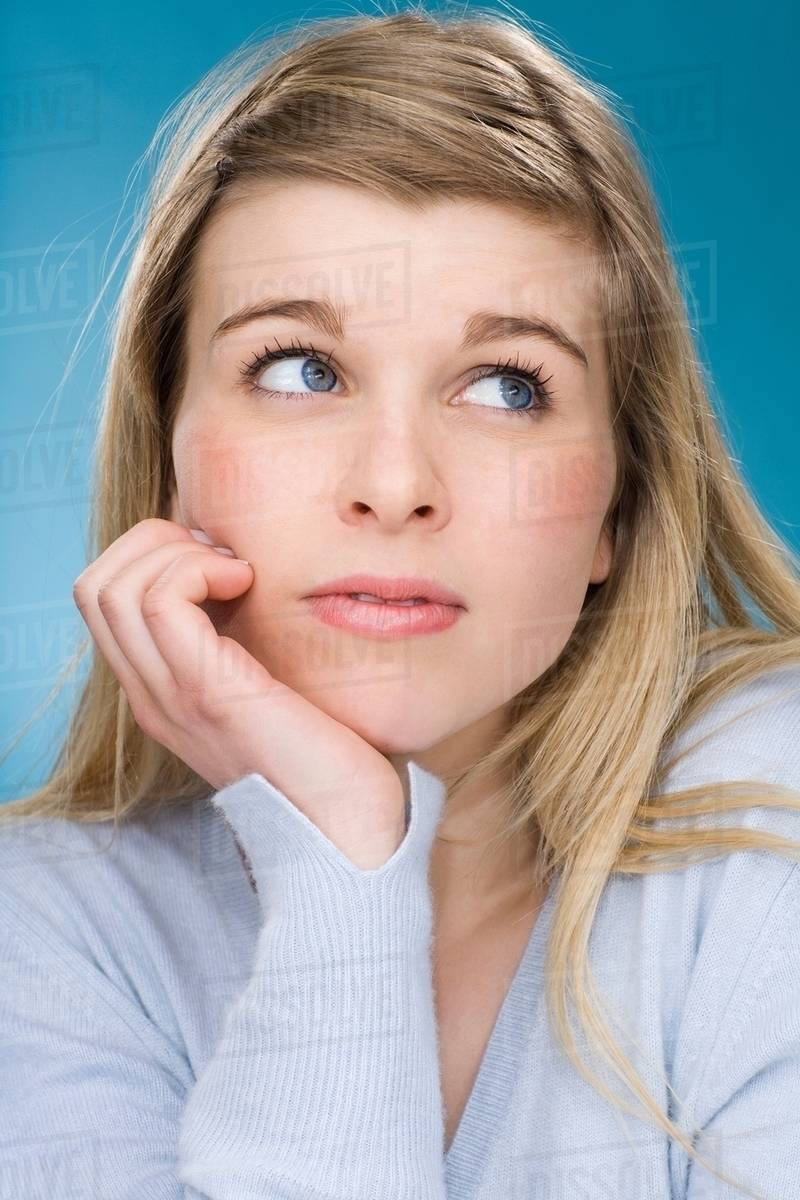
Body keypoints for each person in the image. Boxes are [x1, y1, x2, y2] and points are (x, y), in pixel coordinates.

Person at [2, 5, 799, 1198]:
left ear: (617, 511)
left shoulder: (767, 819)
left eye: (504, 387)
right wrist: (339, 873)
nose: (393, 486)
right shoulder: (44, 938)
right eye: (299, 369)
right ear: (167, 447)